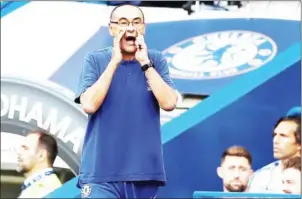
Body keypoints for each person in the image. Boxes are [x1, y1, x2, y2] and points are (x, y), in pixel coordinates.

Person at [74, 4, 178, 199]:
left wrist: (145, 63)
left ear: (143, 28)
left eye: (136, 22)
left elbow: (169, 102)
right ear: (111, 29)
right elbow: (89, 104)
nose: (130, 28)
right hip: (100, 174)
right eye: (123, 23)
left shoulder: (156, 59)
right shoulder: (95, 59)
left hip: (145, 174)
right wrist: (114, 62)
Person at [247, 115, 301, 193]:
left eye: (283, 136)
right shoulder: (260, 177)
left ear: (299, 144)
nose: (275, 140)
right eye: (275, 135)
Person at [17, 130, 62, 198]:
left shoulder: (47, 190)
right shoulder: (39, 187)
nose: (19, 152)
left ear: (41, 155)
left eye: (26, 148)